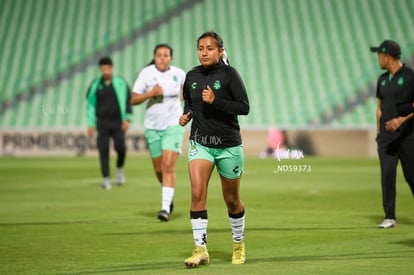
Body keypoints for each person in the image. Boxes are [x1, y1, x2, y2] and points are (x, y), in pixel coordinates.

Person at [179, 31, 250, 267]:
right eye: (200, 48)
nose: (204, 52)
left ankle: (238, 245)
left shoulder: (230, 75)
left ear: (220, 51)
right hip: (201, 143)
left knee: (232, 200)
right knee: (197, 193)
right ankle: (200, 249)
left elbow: (244, 107)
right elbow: (190, 103)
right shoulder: (191, 76)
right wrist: (186, 115)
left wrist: (216, 101)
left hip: (228, 146)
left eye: (210, 48)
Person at [131, 44, 186, 222]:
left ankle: (164, 208)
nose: (163, 58)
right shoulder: (146, 74)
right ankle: (168, 194)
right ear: (154, 57)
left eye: (166, 55)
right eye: (159, 55)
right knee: (158, 169)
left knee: (168, 165)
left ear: (171, 58)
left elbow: (187, 95)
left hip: (173, 125)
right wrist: (150, 93)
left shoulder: (179, 74)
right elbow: (133, 99)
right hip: (152, 126)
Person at [370, 40, 414, 228]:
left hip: (408, 137)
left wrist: (401, 120)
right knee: (387, 176)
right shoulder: (382, 80)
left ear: (387, 57)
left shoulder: (409, 76)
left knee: (412, 176)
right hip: (387, 140)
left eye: (379, 55)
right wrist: (379, 132)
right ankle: (389, 217)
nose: (378, 58)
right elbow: (379, 108)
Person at [86, 56, 132, 189]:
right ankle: (106, 179)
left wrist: (127, 119)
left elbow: (129, 101)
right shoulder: (95, 85)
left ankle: (119, 169)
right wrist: (91, 123)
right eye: (102, 69)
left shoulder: (121, 83)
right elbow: (90, 105)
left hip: (118, 122)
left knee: (121, 149)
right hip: (102, 123)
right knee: (103, 150)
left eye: (107, 69)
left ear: (112, 68)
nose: (105, 72)